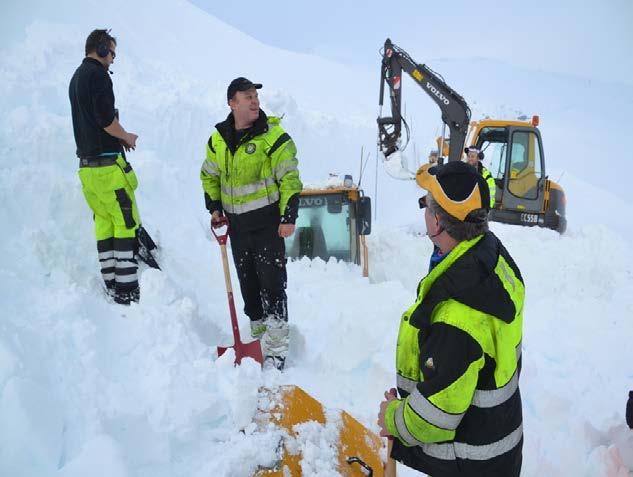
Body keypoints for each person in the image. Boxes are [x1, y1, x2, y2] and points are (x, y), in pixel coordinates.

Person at [377, 161, 524, 476]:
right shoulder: (491, 256)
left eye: (427, 207)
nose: (424, 212)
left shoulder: (456, 318)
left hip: (472, 462)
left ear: (438, 223)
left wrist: (393, 416)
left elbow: (434, 419)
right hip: (498, 446)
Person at [200, 77, 303, 370]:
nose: (255, 100)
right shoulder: (218, 139)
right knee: (247, 285)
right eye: (247, 96)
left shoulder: (273, 137)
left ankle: (277, 347)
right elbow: (209, 175)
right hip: (237, 228)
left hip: (268, 226)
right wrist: (215, 207)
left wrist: (288, 217)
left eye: (255, 95)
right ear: (232, 103)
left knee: (272, 286)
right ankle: (258, 337)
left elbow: (290, 179)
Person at [69, 29, 141, 305]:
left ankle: (111, 284)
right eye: (111, 53)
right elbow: (105, 120)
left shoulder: (76, 77)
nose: (112, 60)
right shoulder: (98, 76)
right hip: (108, 168)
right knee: (125, 222)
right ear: (100, 49)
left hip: (87, 170)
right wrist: (125, 136)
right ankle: (127, 291)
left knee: (104, 223)